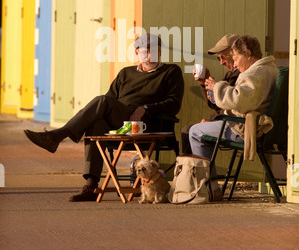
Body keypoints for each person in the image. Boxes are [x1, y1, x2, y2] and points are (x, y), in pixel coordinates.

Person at [24, 33, 184, 201]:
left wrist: (144, 108)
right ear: (137, 53)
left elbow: (174, 103)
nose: (150, 56)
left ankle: (57, 136)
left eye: (155, 51)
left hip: (146, 124)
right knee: (97, 123)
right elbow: (108, 102)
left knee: (102, 102)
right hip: (121, 122)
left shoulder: (171, 72)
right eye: (145, 51)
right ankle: (91, 186)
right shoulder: (125, 73)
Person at [189, 35, 278, 198]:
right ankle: (209, 186)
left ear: (248, 53)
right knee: (199, 129)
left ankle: (209, 188)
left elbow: (238, 101)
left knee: (195, 132)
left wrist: (217, 86)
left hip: (244, 129)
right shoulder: (268, 69)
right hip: (254, 126)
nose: (235, 63)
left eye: (235, 58)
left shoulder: (255, 73)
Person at [181, 34, 240, 154]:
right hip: (225, 121)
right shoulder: (230, 74)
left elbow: (232, 106)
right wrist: (205, 82)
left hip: (235, 126)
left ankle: (198, 171)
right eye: (219, 59)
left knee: (191, 130)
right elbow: (216, 105)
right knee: (188, 130)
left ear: (235, 54)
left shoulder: (242, 75)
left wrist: (213, 121)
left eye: (224, 57)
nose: (221, 63)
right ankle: (195, 170)